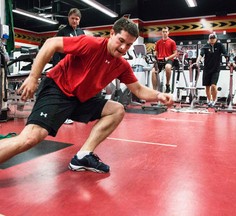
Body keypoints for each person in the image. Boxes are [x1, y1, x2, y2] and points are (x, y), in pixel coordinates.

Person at [0, 17, 173, 173]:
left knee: (117, 109)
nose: (123, 48)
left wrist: (159, 95)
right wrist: (33, 77)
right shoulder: (91, 44)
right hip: (58, 90)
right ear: (111, 34)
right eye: (121, 41)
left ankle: (83, 156)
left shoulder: (121, 65)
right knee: (30, 138)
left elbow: (138, 90)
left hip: (81, 99)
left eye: (128, 45)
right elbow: (51, 44)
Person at [52, 8, 85, 125]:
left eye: (77, 19)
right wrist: (57, 65)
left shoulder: (81, 33)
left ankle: (72, 113)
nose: (74, 21)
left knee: (75, 91)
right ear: (68, 18)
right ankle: (63, 115)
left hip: (77, 68)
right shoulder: (63, 32)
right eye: (72, 18)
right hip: (65, 66)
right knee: (64, 92)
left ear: (79, 20)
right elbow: (55, 50)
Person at [195, 33, 227, 107]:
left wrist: (229, 62)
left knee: (213, 85)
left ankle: (214, 100)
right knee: (207, 86)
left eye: (213, 39)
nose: (212, 40)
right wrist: (197, 62)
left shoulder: (220, 46)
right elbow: (201, 55)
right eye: (211, 39)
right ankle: (209, 100)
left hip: (216, 69)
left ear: (216, 39)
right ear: (209, 39)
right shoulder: (205, 47)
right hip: (207, 69)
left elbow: (226, 54)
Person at [151, 26, 177, 93]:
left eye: (166, 32)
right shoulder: (158, 42)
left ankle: (167, 85)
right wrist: (154, 54)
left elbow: (175, 53)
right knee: (153, 71)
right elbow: (156, 52)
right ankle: (154, 91)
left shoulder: (172, 42)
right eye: (163, 32)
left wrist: (168, 57)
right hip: (160, 59)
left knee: (167, 67)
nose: (164, 33)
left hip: (168, 59)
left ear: (168, 33)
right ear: (161, 33)